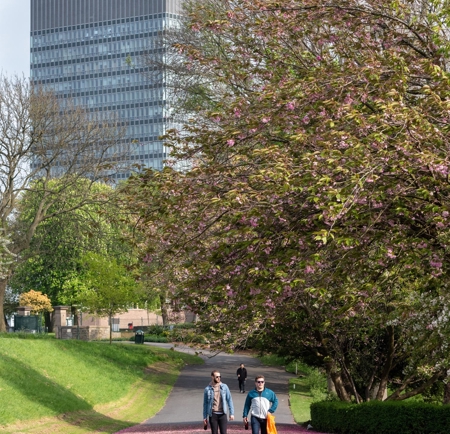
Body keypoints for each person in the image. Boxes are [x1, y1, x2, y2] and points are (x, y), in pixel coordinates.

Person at [203, 369, 235, 434]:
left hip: (222, 414)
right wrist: (204, 417)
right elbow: (205, 404)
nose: (219, 378)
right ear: (212, 377)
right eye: (217, 377)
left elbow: (229, 400)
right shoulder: (207, 389)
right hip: (213, 414)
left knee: (223, 432)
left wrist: (232, 413)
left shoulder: (224, 387)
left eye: (220, 376)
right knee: (214, 432)